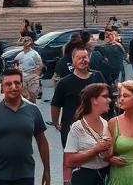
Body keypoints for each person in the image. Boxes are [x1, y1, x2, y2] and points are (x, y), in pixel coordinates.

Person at [0, 68, 50, 185]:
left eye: (17, 83)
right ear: (2, 87)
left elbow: (42, 142)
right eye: (8, 84)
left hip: (25, 175)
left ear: (22, 85)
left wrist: (47, 170)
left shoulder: (33, 110)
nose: (13, 87)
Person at [51, 49, 106, 185]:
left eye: (86, 57)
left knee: (97, 158)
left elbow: (106, 97)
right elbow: (55, 105)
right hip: (71, 128)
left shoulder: (97, 77)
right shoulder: (64, 82)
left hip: (97, 127)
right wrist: (56, 123)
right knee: (71, 160)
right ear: (73, 61)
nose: (83, 60)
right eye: (79, 57)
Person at [64, 83, 112, 185]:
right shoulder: (77, 127)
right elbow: (69, 161)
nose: (109, 100)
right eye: (105, 96)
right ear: (94, 100)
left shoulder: (106, 123)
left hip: (105, 175)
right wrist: (95, 150)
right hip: (84, 177)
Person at [13, 37, 43, 103]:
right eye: (25, 41)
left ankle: (32, 110)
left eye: (28, 41)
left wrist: (37, 75)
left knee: (32, 98)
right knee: (24, 98)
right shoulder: (20, 55)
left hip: (32, 77)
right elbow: (15, 64)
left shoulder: (34, 54)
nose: (26, 43)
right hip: (23, 78)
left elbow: (40, 65)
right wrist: (17, 69)